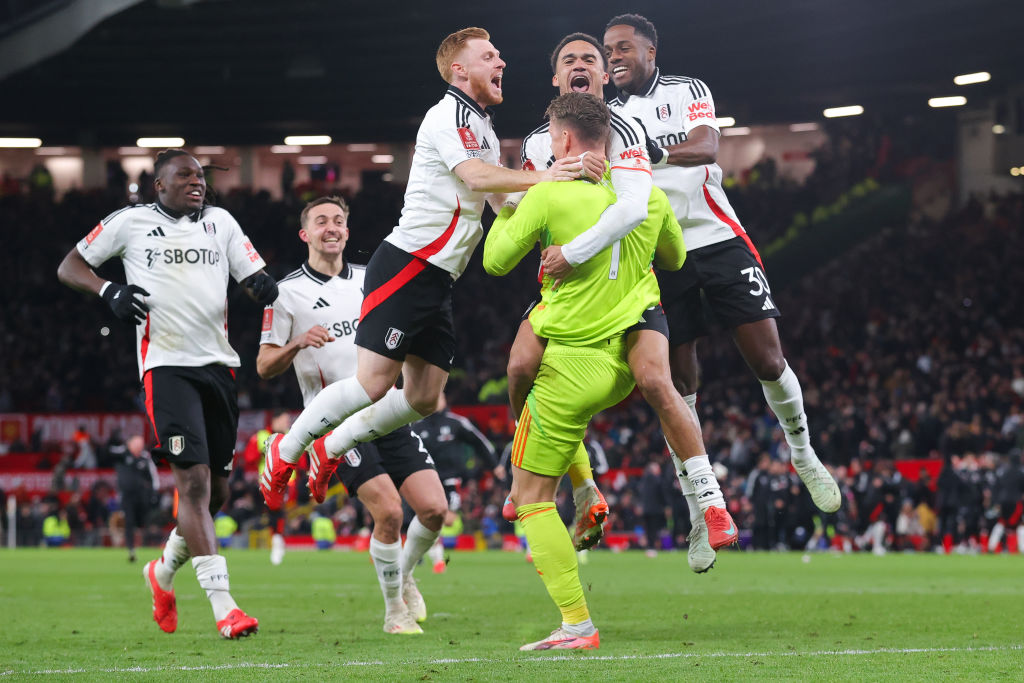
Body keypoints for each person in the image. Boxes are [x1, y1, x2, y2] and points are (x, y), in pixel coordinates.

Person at [259, 27, 603, 511]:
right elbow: (477, 177)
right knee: (372, 384)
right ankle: (287, 448)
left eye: (499, 53)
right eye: (488, 56)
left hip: (439, 278)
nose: (501, 61)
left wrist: (557, 223)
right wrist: (547, 175)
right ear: (459, 70)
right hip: (409, 263)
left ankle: (331, 447)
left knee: (422, 397)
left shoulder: (481, 125)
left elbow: (502, 201)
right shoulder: (446, 115)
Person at [556, 13, 842, 519]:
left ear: (650, 53)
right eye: (608, 50)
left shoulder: (687, 89)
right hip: (655, 252)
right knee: (677, 381)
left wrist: (650, 151)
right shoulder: (600, 116)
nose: (614, 57)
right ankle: (698, 506)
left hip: (715, 236)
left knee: (768, 360)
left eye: (623, 48)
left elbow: (708, 145)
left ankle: (803, 454)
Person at [482, 92, 696, 651]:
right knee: (542, 435)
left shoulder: (550, 195)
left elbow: (495, 261)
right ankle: (593, 488)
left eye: (553, 137)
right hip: (625, 362)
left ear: (565, 142)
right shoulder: (645, 196)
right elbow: (675, 258)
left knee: (528, 498)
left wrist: (507, 203)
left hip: (568, 367)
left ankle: (577, 623)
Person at [510, 32, 728, 570]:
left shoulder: (626, 131)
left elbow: (637, 209)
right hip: (568, 295)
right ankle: (583, 487)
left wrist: (580, 227)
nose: (582, 65)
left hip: (629, 291)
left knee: (657, 378)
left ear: (605, 77)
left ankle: (710, 503)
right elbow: (516, 217)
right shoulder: (537, 146)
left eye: (591, 59)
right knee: (518, 368)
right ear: (556, 80)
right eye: (570, 60)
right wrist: (526, 200)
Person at [56, 148, 278, 639]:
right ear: (158, 185)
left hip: (220, 368)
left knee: (216, 493)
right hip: (166, 367)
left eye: (200, 176)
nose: (196, 182)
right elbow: (70, 266)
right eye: (184, 176)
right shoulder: (130, 222)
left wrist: (263, 288)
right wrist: (107, 291)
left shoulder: (221, 222)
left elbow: (254, 277)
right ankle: (225, 608)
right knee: (194, 486)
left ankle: (161, 573)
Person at [256, 195, 448, 634]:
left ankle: (406, 572)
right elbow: (264, 366)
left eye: (339, 220)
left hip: (386, 412)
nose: (332, 227)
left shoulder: (371, 279)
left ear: (347, 231)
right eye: (321, 221)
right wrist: (297, 342)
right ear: (305, 234)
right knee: (390, 513)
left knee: (435, 509)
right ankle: (394, 612)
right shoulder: (286, 293)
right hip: (336, 426)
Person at [412, 393, 504, 572]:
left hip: (451, 481)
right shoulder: (417, 426)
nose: (436, 399)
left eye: (440, 396)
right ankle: (436, 557)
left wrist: (494, 465)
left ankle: (429, 553)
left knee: (447, 519)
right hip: (425, 480)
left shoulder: (455, 423)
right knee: (429, 518)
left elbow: (479, 441)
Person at [240, 409, 293, 565]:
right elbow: (249, 458)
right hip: (267, 480)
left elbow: (302, 461)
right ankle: (277, 539)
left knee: (278, 511)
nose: (287, 424)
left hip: (288, 481)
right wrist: (268, 450)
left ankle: (278, 539)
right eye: (284, 420)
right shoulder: (261, 436)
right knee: (274, 511)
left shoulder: (292, 435)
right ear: (274, 421)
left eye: (288, 421)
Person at [116, 435, 159, 563]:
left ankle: (147, 546)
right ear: (130, 444)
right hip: (127, 496)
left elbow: (153, 478)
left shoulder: (145, 458)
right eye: (136, 444)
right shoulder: (122, 456)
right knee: (129, 522)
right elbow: (109, 450)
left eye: (141, 444)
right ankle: (131, 548)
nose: (139, 446)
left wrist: (152, 494)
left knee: (144, 521)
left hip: (142, 497)